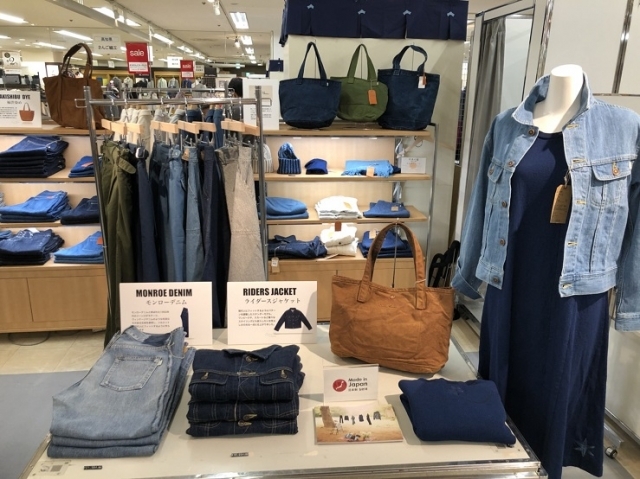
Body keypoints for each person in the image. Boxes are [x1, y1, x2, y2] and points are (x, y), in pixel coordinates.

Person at [452, 64, 640, 479]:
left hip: (577, 294)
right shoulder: (507, 125)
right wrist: (466, 276)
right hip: (510, 282)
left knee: (560, 390)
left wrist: (631, 299)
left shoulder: (625, 128)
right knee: (502, 391)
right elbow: (482, 201)